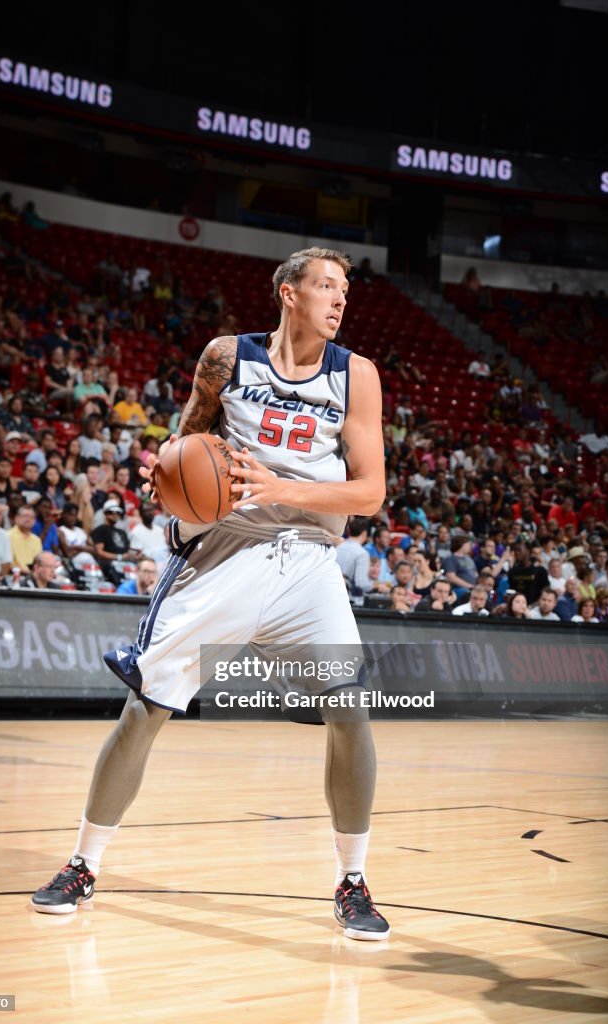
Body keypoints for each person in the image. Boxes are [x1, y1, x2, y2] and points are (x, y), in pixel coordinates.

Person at [31, 246, 390, 940]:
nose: (339, 300)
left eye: (344, 290)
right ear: (288, 292)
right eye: (325, 286)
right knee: (147, 708)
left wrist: (281, 486)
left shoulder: (357, 375)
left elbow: (369, 491)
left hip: (307, 560)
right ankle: (84, 863)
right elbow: (187, 436)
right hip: (223, 550)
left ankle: (353, 880)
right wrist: (164, 473)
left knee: (351, 709)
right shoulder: (227, 356)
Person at [336, 516, 373, 596]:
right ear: (364, 533)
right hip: (349, 598)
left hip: (333, 592)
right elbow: (361, 584)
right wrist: (375, 585)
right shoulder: (362, 553)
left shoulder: (338, 547)